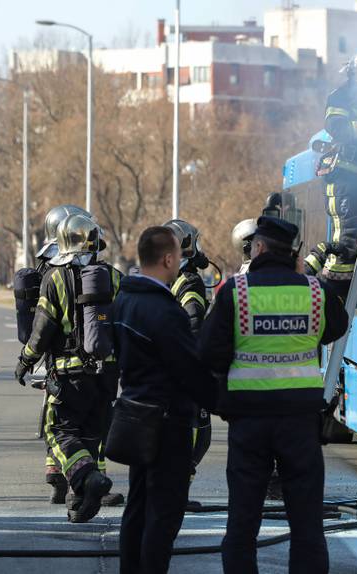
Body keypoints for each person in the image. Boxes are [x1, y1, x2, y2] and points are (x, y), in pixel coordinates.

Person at [201, 216, 349, 574]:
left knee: (242, 524)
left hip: (248, 423)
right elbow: (337, 327)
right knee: (307, 526)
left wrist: (221, 400)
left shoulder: (235, 293)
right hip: (300, 425)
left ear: (259, 248)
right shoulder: (315, 292)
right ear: (294, 253)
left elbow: (207, 353)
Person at [114, 226, 218, 574]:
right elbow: (189, 370)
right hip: (167, 423)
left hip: (135, 416)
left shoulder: (125, 299)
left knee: (138, 507)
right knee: (165, 512)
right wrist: (226, 403)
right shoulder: (163, 310)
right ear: (169, 259)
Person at [15, 213, 117, 522]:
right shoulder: (113, 276)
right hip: (108, 374)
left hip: (69, 373)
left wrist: (25, 360)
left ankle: (87, 477)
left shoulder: (55, 277)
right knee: (90, 435)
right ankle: (81, 502)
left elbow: (42, 328)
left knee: (57, 431)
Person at [303, 50, 357, 296]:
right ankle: (332, 293)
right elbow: (338, 128)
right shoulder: (341, 97)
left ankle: (333, 290)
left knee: (354, 240)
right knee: (346, 241)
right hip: (344, 178)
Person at [163, 219, 213, 486]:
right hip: (186, 370)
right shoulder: (190, 282)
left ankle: (174, 481)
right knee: (199, 434)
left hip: (164, 369)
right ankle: (179, 482)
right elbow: (194, 322)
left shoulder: (162, 277)